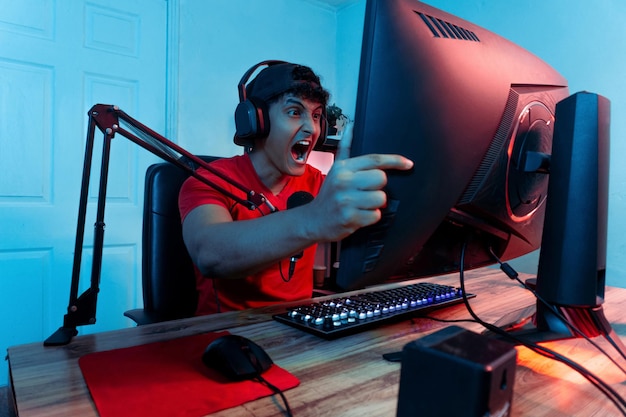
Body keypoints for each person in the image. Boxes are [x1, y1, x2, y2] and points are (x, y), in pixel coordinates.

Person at [179, 61, 413, 315]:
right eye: (294, 112)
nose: (311, 129)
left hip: (301, 330)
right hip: (227, 341)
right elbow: (210, 254)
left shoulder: (320, 184)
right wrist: (313, 219)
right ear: (256, 120)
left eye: (315, 116)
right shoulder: (208, 180)